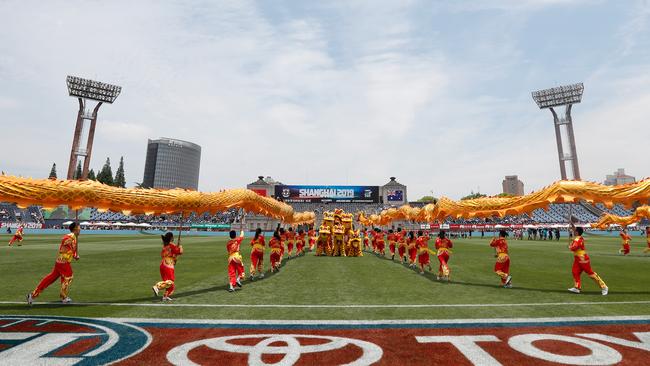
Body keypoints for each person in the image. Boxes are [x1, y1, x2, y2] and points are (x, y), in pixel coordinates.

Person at [27, 222, 80, 305]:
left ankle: (33, 295)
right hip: (63, 262)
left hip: (60, 262)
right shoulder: (71, 236)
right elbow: (64, 242)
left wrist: (75, 255)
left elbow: (70, 249)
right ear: (75, 228)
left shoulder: (75, 237)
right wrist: (68, 243)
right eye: (79, 227)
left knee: (50, 279)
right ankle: (64, 296)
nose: (80, 229)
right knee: (68, 277)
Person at [568, 226, 608, 295]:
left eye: (574, 231)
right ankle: (577, 287)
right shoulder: (579, 238)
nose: (573, 231)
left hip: (582, 259)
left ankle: (604, 287)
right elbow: (575, 242)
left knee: (590, 273)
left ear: (577, 232)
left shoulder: (577, 239)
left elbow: (574, 247)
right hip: (578, 258)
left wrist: (570, 247)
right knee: (575, 272)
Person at [152, 232, 184, 301]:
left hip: (163, 264)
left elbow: (173, 254)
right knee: (170, 281)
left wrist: (175, 252)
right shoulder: (171, 245)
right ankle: (157, 286)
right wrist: (180, 245)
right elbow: (180, 252)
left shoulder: (165, 246)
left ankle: (165, 296)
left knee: (169, 283)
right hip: (168, 265)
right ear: (171, 238)